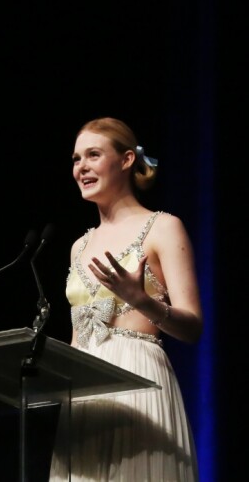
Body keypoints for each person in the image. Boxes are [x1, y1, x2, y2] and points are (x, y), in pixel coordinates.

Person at [49, 117, 202, 481]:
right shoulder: (78, 247)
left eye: (93, 155)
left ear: (127, 160)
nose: (81, 167)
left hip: (138, 379)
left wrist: (143, 301)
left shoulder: (164, 227)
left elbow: (193, 327)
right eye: (75, 159)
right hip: (84, 393)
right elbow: (77, 336)